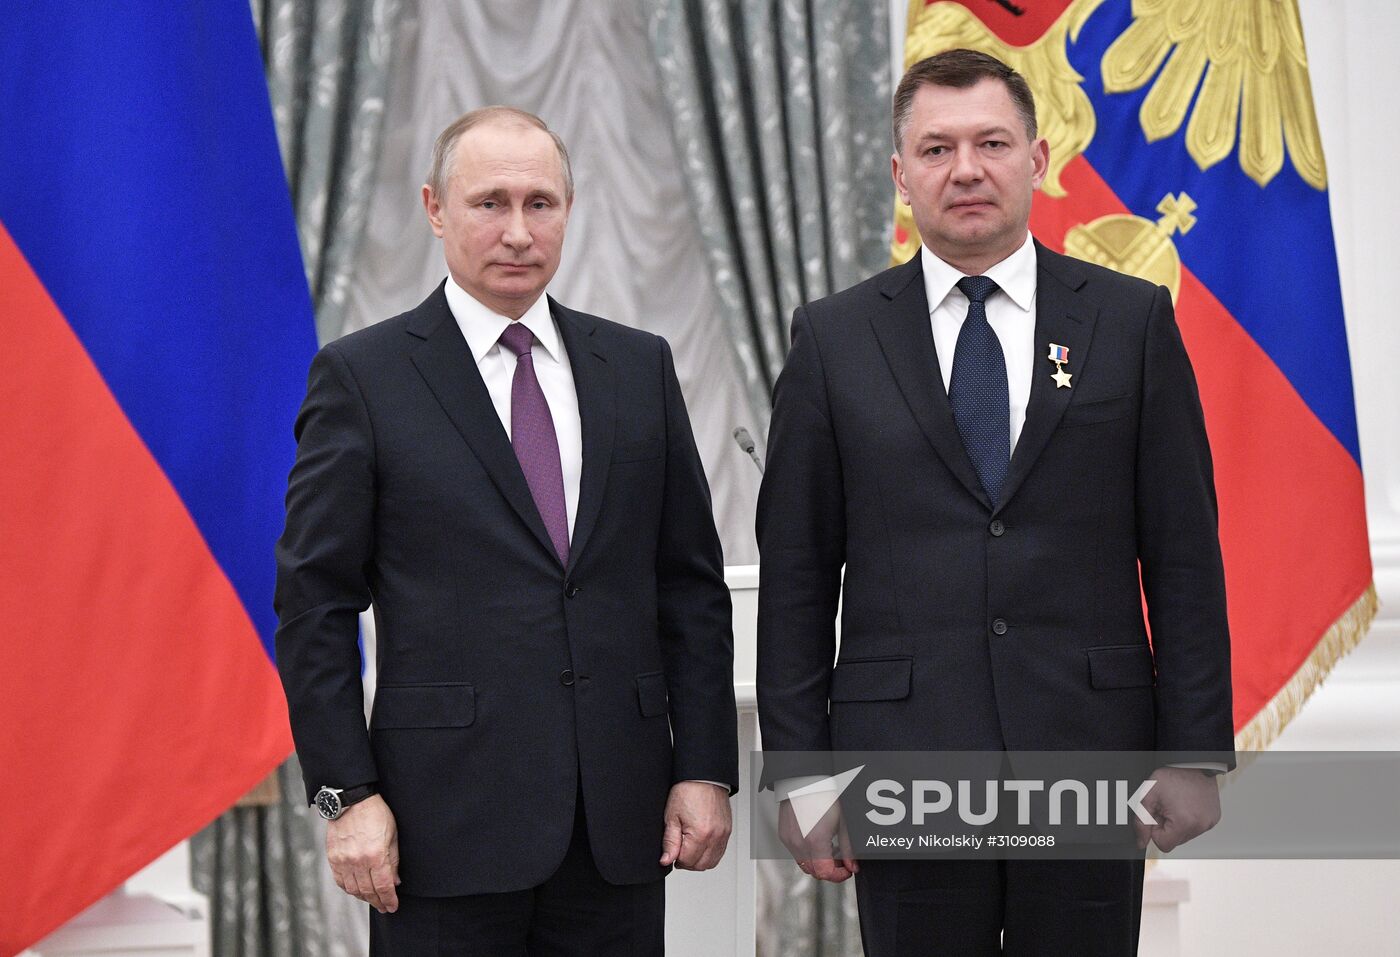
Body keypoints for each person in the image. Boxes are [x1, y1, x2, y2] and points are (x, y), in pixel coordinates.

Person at [755, 50, 1234, 956]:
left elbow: (1183, 551)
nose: (966, 168)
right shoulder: (835, 338)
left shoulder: (1130, 322)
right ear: (901, 176)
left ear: (1037, 159)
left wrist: (1193, 747)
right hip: (904, 763)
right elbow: (798, 574)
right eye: (936, 149)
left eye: (991, 142)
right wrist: (800, 773)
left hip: (1089, 754)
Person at [275, 106, 738, 956]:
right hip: (440, 829)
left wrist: (704, 765)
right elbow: (314, 604)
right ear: (435, 209)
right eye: (490, 202)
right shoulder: (363, 376)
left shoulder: (638, 366)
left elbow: (689, 587)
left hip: (618, 828)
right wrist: (346, 795)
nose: (518, 231)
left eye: (541, 202)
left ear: (569, 208)